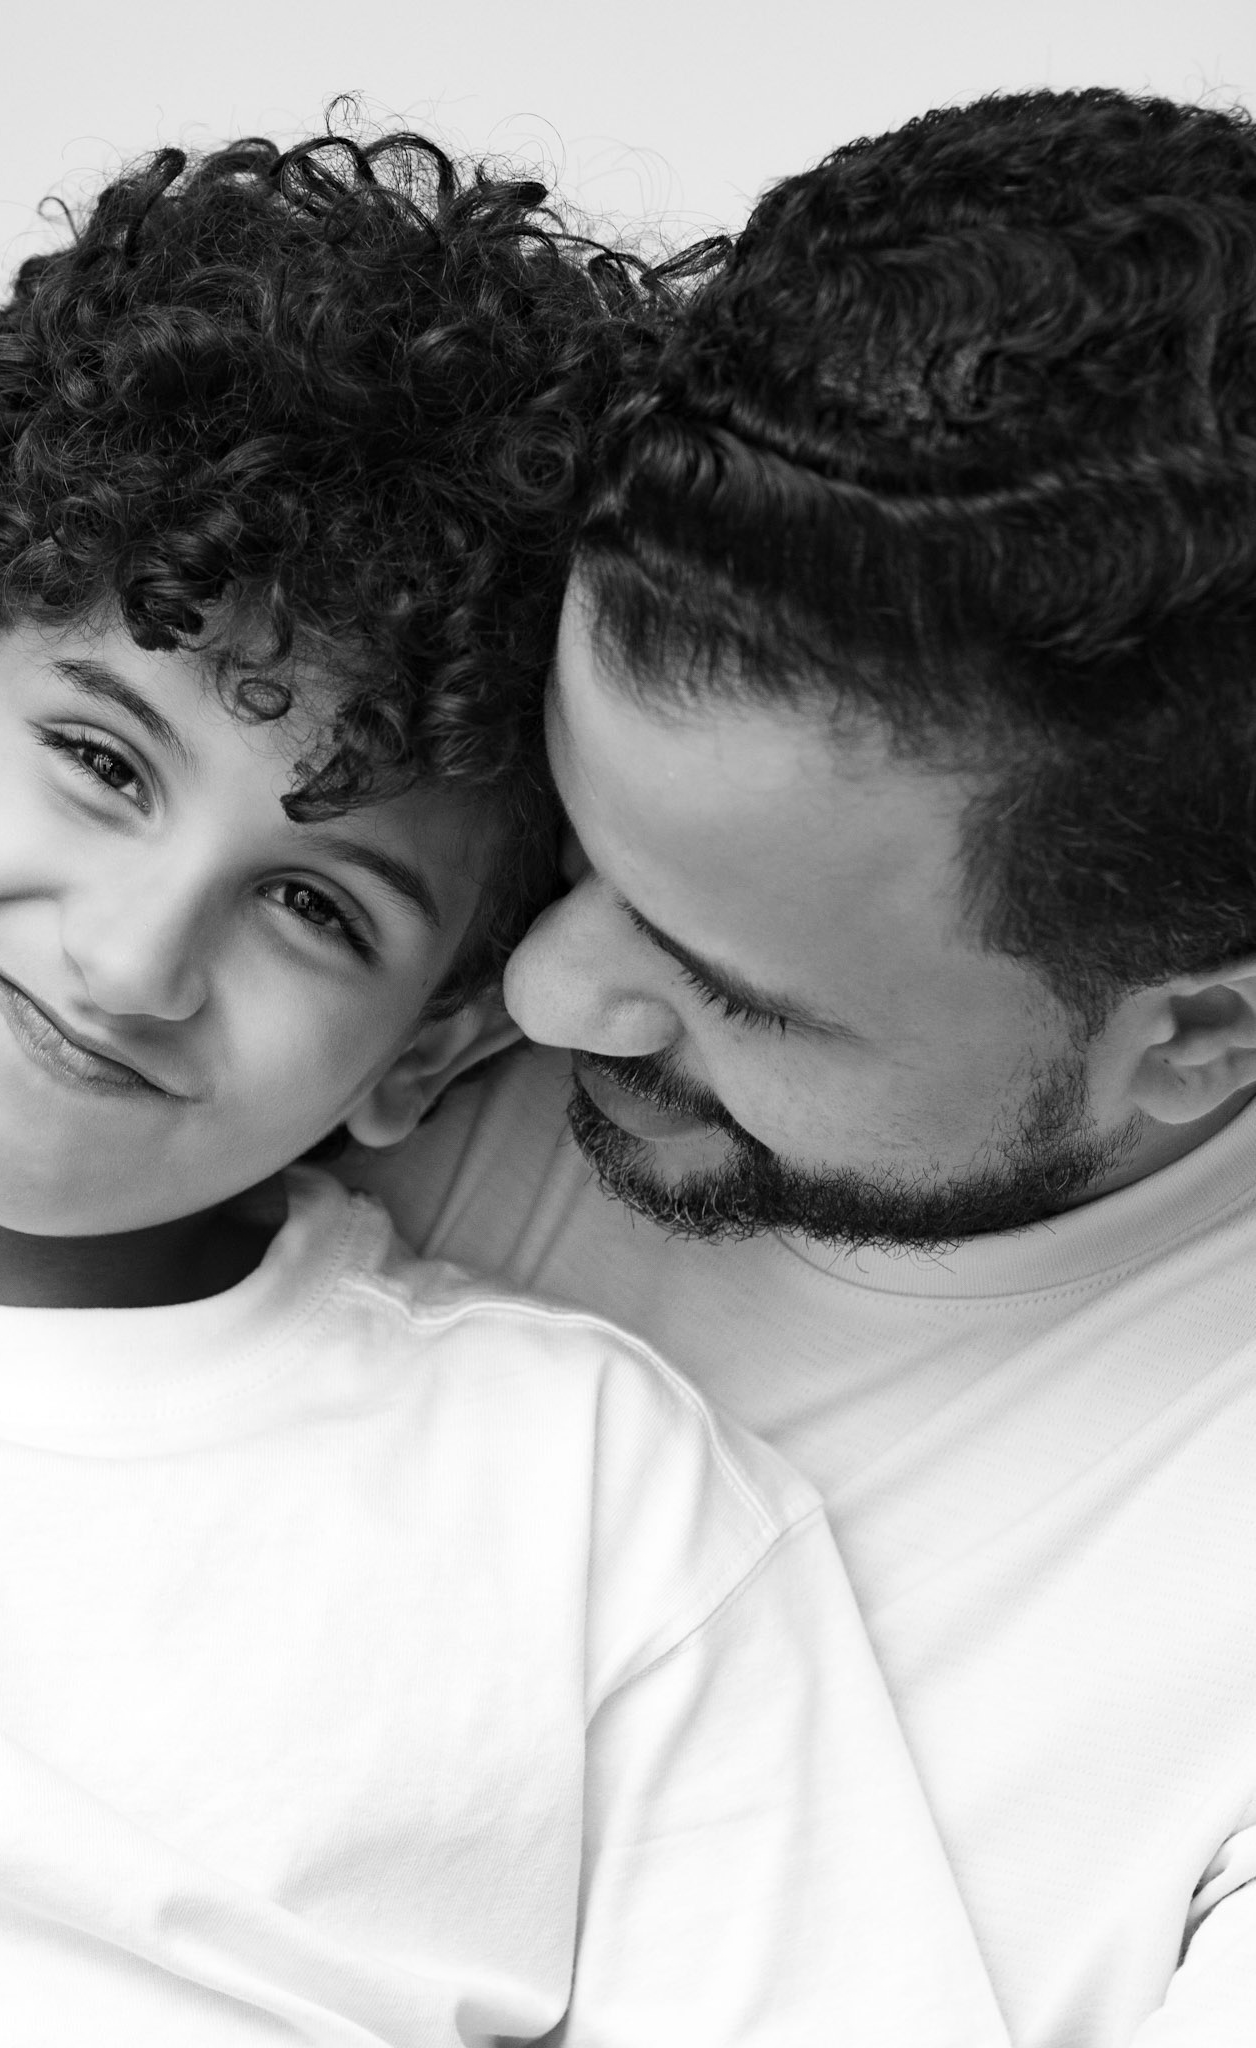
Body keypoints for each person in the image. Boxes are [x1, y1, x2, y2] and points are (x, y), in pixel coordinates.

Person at [0, 130, 1008, 2046]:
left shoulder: (582, 1503)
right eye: (103, 764)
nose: (134, 960)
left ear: (432, 1046)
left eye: (312, 905)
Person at [350, 88, 1256, 2048]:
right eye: (574, 841)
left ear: (1197, 1037)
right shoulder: (359, 1003)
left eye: (730, 990)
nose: (545, 989)